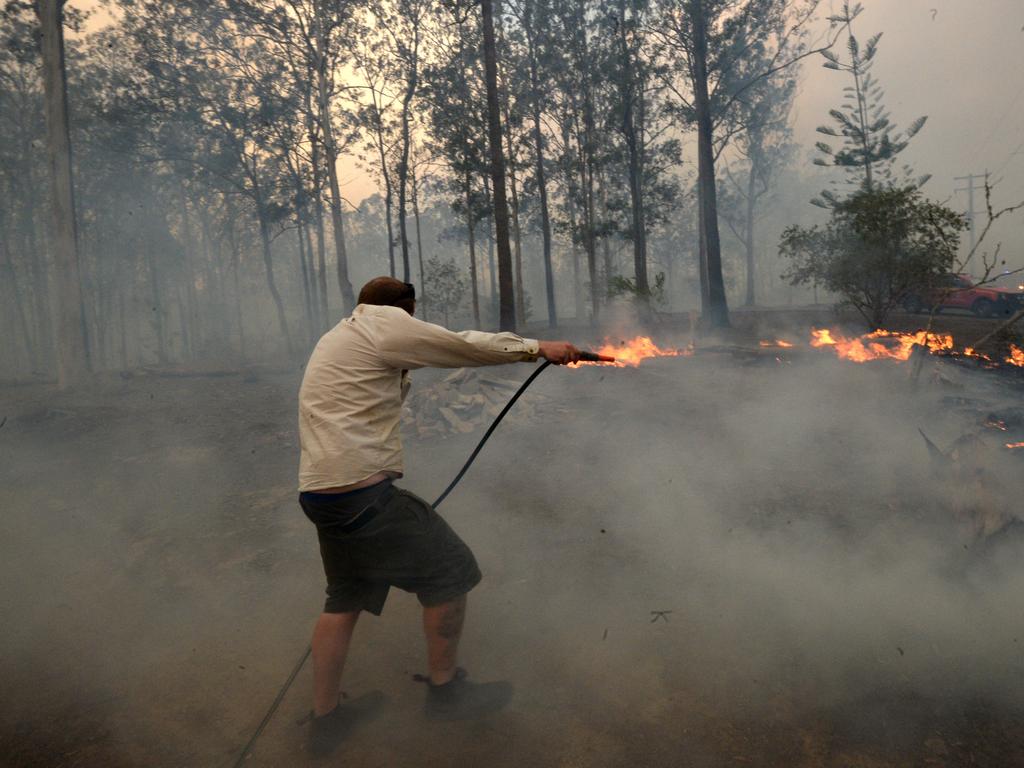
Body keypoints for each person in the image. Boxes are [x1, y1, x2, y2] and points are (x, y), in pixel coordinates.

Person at [297, 276, 580, 754]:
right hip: (364, 498)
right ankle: (446, 692)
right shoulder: (385, 325)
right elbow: (459, 345)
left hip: (324, 495)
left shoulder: (338, 336)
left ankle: (326, 721)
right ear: (402, 309)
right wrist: (539, 348)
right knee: (451, 571)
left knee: (344, 599)